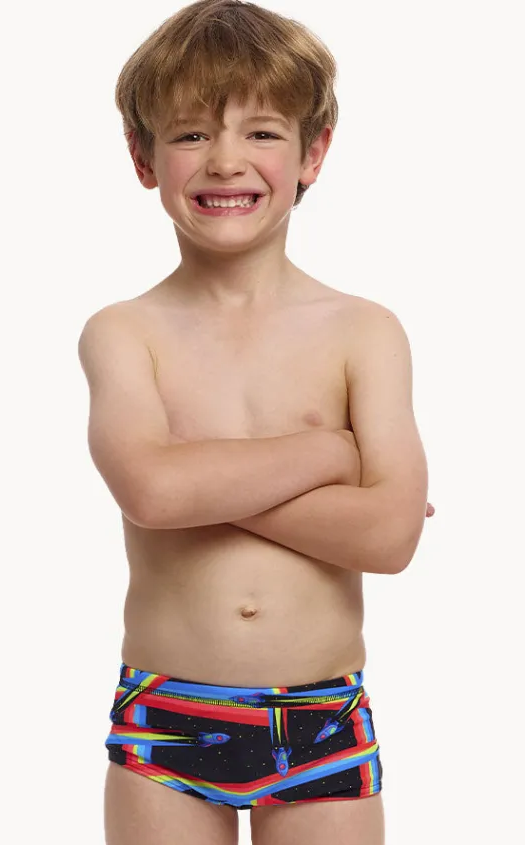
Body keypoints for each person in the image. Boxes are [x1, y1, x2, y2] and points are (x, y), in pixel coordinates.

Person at [77, 1, 433, 842]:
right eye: (191, 134)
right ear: (143, 157)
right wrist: (330, 451)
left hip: (320, 717)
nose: (226, 160)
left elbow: (390, 538)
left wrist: (198, 479)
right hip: (168, 712)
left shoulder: (363, 331)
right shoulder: (124, 332)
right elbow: (153, 493)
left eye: (262, 132)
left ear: (314, 152)